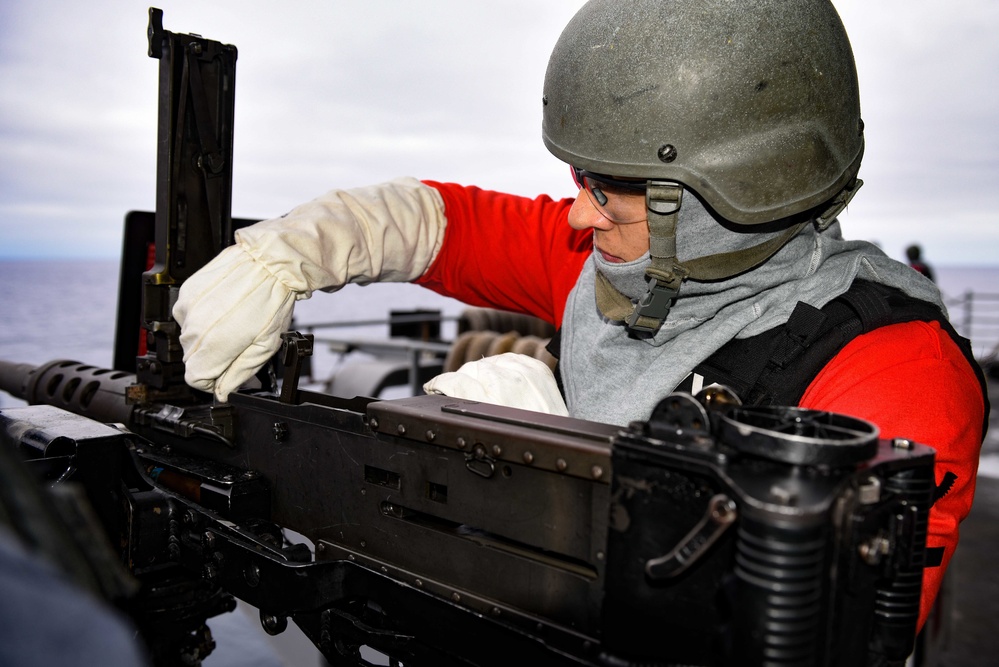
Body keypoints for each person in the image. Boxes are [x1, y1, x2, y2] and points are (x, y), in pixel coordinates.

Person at [173, 0, 987, 634]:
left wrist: (551, 495)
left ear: (719, 197)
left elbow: (807, 631)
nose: (573, 216)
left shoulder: (896, 379)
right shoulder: (628, 261)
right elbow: (443, 223)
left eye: (604, 185)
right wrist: (284, 252)